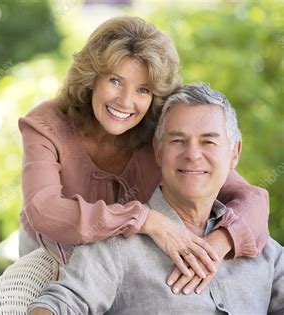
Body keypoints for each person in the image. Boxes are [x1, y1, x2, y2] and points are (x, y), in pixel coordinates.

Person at [19, 16, 269, 291]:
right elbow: (44, 210)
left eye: (143, 89)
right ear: (92, 77)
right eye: (115, 81)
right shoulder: (46, 124)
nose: (125, 102)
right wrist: (145, 219)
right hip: (53, 254)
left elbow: (253, 199)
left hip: (129, 259)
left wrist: (218, 244)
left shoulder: (160, 130)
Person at [27, 83, 284, 315]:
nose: (193, 155)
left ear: (234, 153)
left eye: (208, 142)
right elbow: (55, 307)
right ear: (158, 152)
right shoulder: (115, 248)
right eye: (178, 140)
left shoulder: (264, 250)